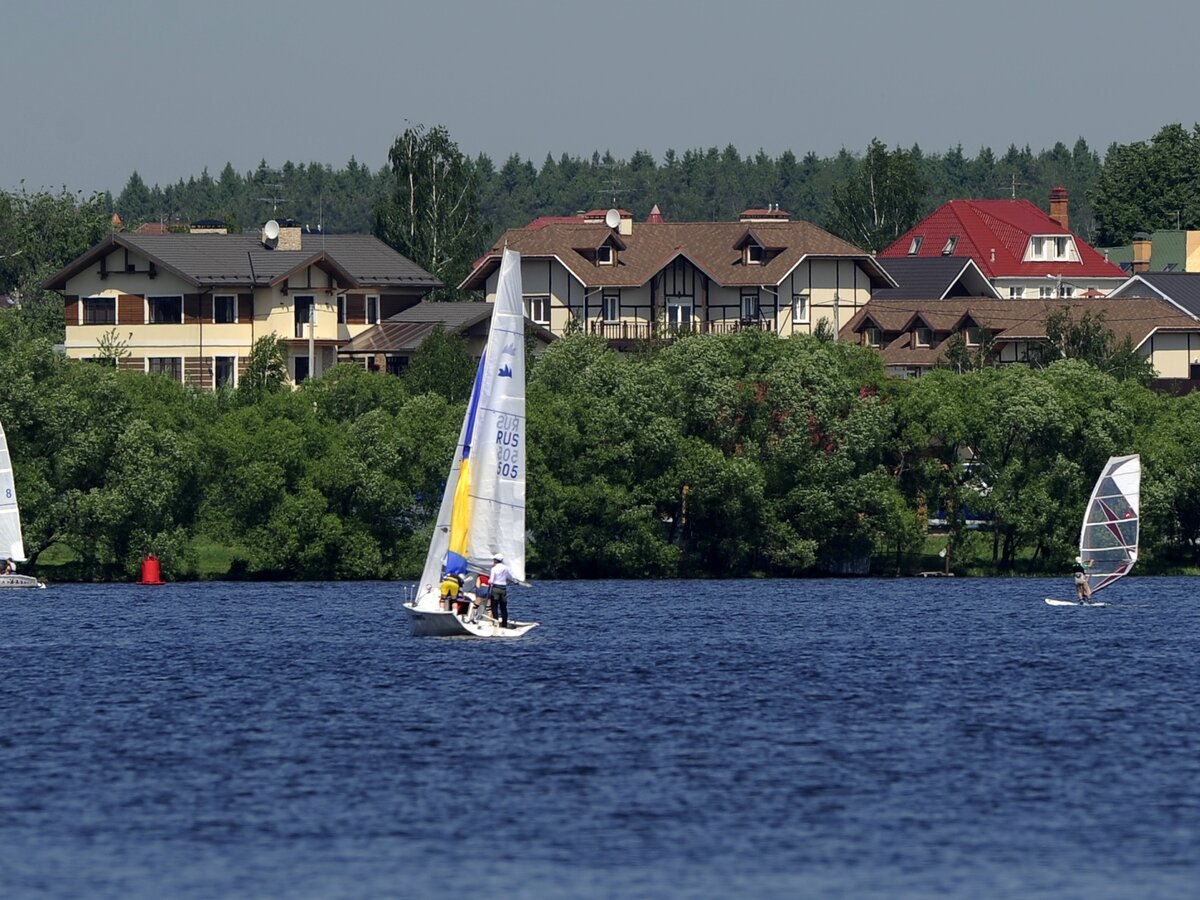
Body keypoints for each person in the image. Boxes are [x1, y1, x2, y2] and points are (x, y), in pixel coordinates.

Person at [489, 554, 512, 628]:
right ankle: (504, 624)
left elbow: (491, 580)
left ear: (496, 560)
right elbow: (509, 577)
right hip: (503, 589)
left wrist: (488, 582)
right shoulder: (506, 568)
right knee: (503, 607)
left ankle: (496, 623)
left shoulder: (494, 569)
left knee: (494, 606)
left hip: (496, 588)